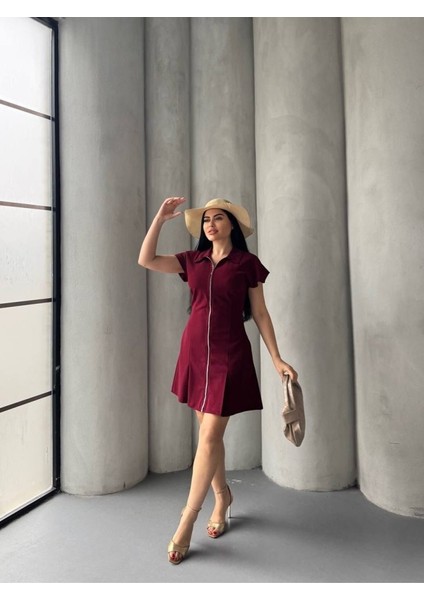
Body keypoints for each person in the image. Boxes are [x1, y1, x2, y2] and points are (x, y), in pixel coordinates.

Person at [138, 196, 298, 565]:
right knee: (209, 437)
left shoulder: (246, 264)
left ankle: (186, 520)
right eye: (206, 219)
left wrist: (276, 358)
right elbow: (146, 259)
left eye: (218, 218)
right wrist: (159, 219)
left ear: (232, 225)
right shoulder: (191, 260)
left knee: (209, 436)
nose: (210, 224)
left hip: (229, 355)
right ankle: (223, 496)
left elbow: (260, 312)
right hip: (194, 353)